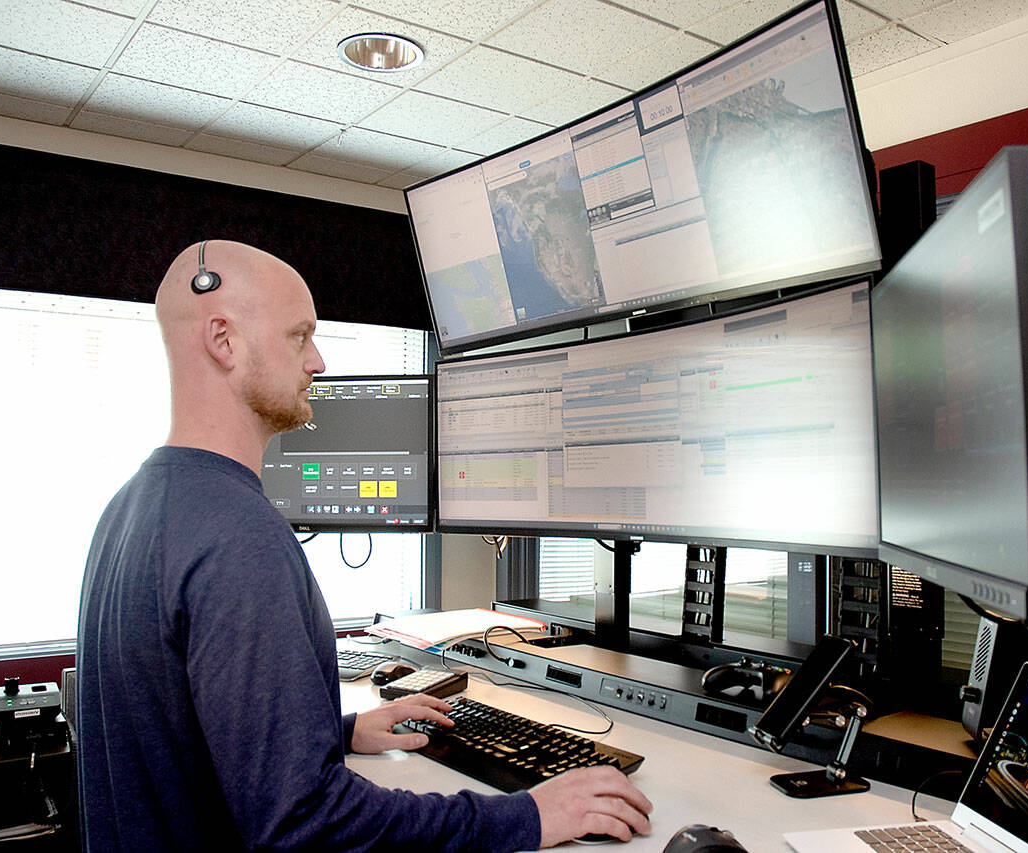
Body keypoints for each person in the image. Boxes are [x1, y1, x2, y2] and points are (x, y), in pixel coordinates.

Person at [76, 240, 653, 850]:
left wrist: (337, 730)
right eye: (300, 337)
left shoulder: (133, 505)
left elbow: (176, 732)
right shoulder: (239, 538)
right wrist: (527, 817)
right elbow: (307, 824)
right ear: (224, 341)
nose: (317, 362)